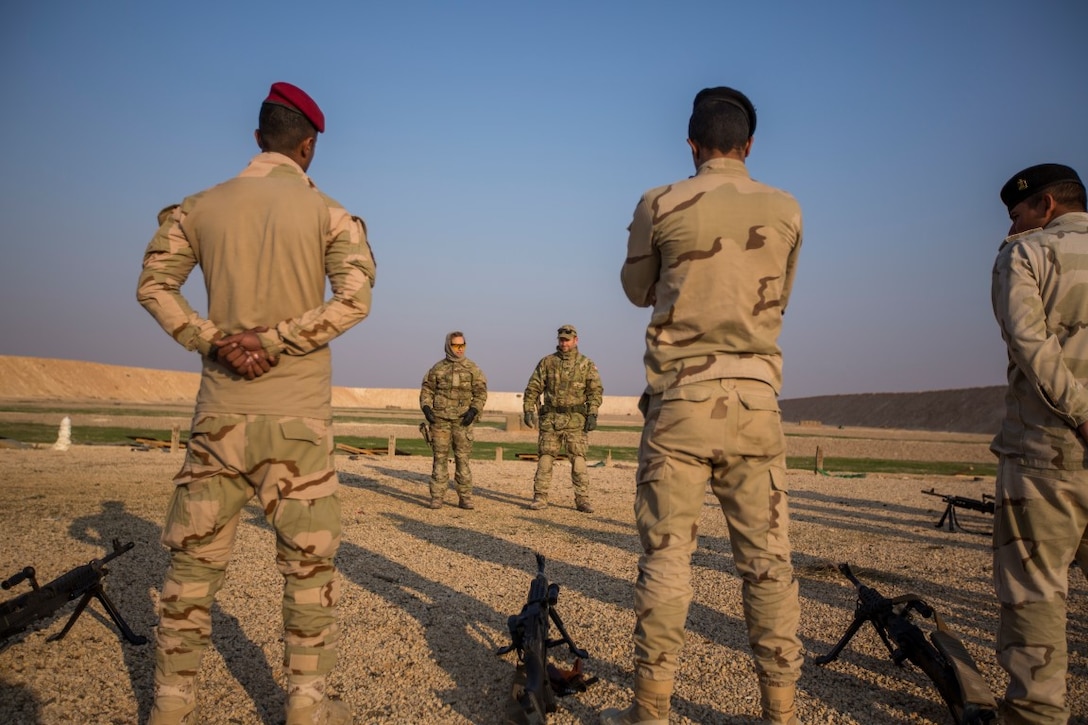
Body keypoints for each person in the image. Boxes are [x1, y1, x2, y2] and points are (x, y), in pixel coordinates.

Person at [136, 81, 376, 725]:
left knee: (192, 569)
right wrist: (275, 341)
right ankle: (304, 705)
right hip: (297, 419)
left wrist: (214, 342)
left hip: (220, 415)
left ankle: (170, 704)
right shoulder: (330, 216)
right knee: (307, 571)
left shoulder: (198, 209)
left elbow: (155, 286)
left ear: (255, 140)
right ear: (308, 146)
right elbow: (353, 299)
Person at [606, 87, 803, 725]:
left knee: (667, 560)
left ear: (692, 144)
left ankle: (652, 712)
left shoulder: (660, 202)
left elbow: (638, 290)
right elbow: (779, 298)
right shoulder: (786, 208)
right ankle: (781, 711)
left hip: (681, 404)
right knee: (769, 567)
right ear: (749, 146)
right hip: (755, 403)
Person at [990, 163, 1088, 725]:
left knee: (1036, 596)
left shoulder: (1025, 256)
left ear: (1045, 207)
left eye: (1017, 214)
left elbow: (1031, 345)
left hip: (1046, 453)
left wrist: (1081, 414)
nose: (1012, 227)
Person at [522, 325, 603, 513]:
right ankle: (540, 497)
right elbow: (533, 387)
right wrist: (528, 409)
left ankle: (582, 499)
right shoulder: (547, 362)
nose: (564, 343)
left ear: (576, 340)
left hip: (575, 420)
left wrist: (592, 413)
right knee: (545, 458)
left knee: (578, 460)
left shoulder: (586, 364)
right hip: (551, 419)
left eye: (567, 339)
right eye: (561, 339)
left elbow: (595, 391)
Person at [419, 330, 488, 509]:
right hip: (440, 421)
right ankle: (437, 496)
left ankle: (465, 497)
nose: (459, 349)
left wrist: (474, 411)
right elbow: (427, 390)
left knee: (462, 459)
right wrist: (426, 408)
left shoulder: (473, 369)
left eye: (462, 345)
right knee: (439, 458)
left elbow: (481, 393)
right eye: (456, 345)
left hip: (462, 421)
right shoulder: (437, 369)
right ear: (448, 346)